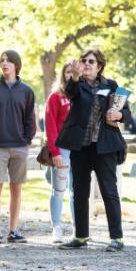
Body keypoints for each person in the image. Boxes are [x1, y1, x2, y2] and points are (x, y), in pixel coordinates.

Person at [56, 49, 131, 252]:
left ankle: (116, 237)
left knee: (109, 191)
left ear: (99, 66)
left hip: (105, 146)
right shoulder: (76, 85)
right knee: (79, 192)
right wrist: (74, 76)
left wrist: (118, 115)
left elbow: (127, 113)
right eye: (84, 60)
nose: (87, 63)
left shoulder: (111, 86)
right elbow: (69, 93)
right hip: (81, 147)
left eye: (91, 61)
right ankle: (80, 236)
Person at [0, 50, 36, 244]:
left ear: (16, 65)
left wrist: (27, 139)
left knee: (16, 189)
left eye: (8, 61)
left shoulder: (26, 91)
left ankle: (13, 231)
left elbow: (30, 118)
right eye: (2, 60)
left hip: (19, 146)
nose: (4, 64)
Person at [44, 61, 75, 243]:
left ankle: (77, 228)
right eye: (68, 72)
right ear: (63, 74)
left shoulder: (80, 95)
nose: (71, 75)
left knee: (76, 191)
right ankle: (57, 227)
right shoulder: (56, 97)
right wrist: (54, 152)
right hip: (61, 149)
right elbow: (50, 125)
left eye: (74, 72)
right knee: (59, 190)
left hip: (79, 150)